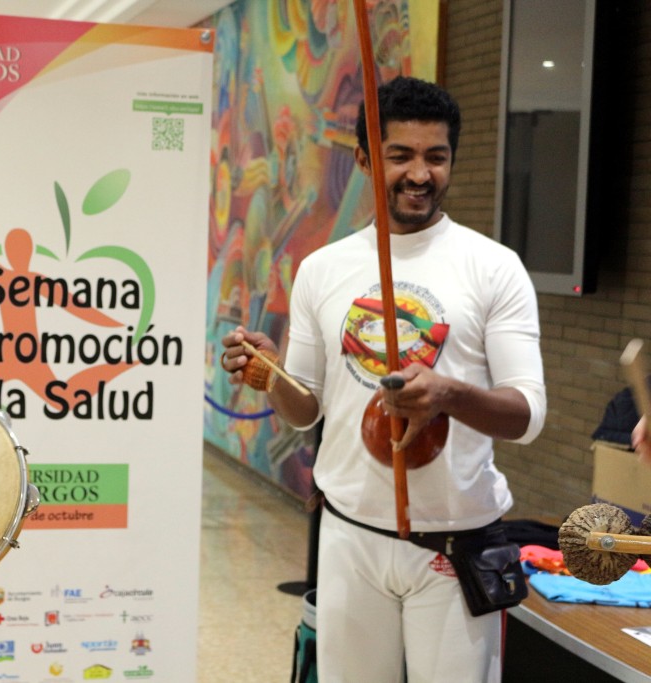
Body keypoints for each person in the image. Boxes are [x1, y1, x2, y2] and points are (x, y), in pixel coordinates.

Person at [221, 76, 546, 682]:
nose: (419, 174)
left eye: (436, 157)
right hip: (350, 534)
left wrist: (450, 394)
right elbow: (307, 408)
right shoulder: (323, 269)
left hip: (454, 544)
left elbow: (527, 415)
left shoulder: (494, 268)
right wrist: (272, 376)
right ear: (366, 159)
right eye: (400, 155)